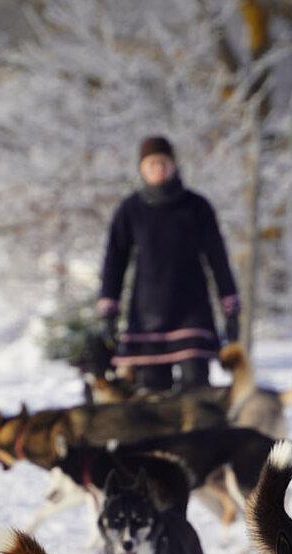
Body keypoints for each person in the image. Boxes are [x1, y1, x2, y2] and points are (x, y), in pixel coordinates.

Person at [97, 135, 240, 393]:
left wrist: (230, 306)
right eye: (152, 164)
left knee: (196, 388)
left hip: (192, 310)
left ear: (174, 165)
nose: (159, 169)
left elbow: (218, 258)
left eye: (163, 163)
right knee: (152, 393)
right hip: (147, 313)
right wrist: (109, 309)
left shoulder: (197, 206)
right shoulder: (130, 210)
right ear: (142, 169)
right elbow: (114, 261)